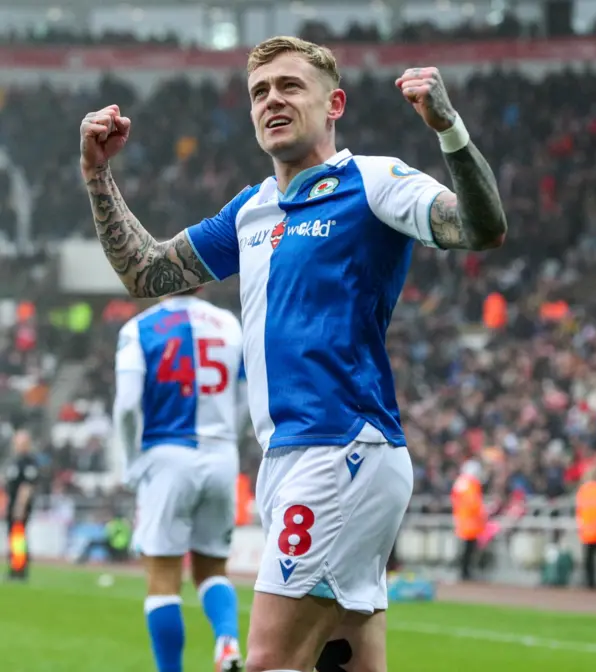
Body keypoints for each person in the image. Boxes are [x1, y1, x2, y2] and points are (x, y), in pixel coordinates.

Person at [80, 36, 507, 672]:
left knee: (270, 661)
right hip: (296, 456)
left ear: (334, 103)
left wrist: (448, 130)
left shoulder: (374, 180)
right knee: (347, 659)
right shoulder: (251, 209)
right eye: (259, 92)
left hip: (341, 450)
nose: (271, 100)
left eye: (288, 86)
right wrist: (96, 175)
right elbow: (145, 273)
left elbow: (481, 227)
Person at [112, 289, 248, 672]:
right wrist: (226, 439)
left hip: (167, 455)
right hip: (222, 455)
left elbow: (126, 406)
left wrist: (131, 459)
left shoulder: (139, 329)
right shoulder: (228, 324)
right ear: (201, 282)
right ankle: (227, 641)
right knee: (212, 569)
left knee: (162, 578)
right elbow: (245, 396)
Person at [4, 428, 39, 581]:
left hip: (19, 506)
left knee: (18, 537)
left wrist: (20, 506)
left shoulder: (28, 462)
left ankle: (19, 568)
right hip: (11, 504)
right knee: (14, 537)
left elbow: (26, 487)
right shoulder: (14, 460)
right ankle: (15, 566)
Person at [451, 460, 486, 581]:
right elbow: (474, 503)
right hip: (470, 521)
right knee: (469, 548)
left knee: (466, 548)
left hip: (462, 519)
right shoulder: (471, 483)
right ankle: (465, 572)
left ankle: (464, 571)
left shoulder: (460, 482)